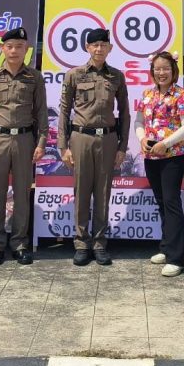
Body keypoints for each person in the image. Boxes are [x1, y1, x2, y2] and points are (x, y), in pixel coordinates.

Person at [0, 26, 48, 266]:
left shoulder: (34, 77)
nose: (14, 50)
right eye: (10, 46)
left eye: (19, 46)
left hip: (25, 139)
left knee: (21, 193)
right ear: (2, 49)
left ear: (26, 49)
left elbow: (41, 112)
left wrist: (41, 142)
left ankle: (19, 243)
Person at [58, 28, 131, 266]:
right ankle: (81, 243)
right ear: (87, 48)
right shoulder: (74, 75)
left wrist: (122, 147)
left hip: (107, 139)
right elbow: (64, 111)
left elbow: (125, 113)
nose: (99, 49)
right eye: (95, 45)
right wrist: (63, 146)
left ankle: (99, 243)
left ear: (110, 48)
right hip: (81, 138)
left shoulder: (116, 76)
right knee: (81, 192)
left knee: (103, 192)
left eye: (103, 45)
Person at [135, 50, 184, 277]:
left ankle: (177, 258)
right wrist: (142, 139)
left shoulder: (182, 95)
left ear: (173, 70)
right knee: (161, 202)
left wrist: (166, 143)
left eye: (166, 68)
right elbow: (139, 122)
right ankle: (167, 246)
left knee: (171, 202)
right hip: (151, 156)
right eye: (157, 68)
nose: (161, 72)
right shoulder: (147, 94)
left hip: (172, 156)